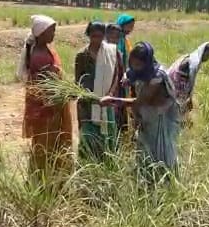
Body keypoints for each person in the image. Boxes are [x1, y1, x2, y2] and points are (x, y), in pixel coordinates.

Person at [101, 42, 181, 185]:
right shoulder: (141, 70)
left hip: (159, 117)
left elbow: (140, 101)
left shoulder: (156, 77)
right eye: (132, 63)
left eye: (138, 65)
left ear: (147, 62)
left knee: (160, 150)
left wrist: (113, 100)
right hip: (147, 116)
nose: (134, 67)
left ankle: (165, 182)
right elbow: (131, 73)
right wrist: (128, 76)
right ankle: (147, 178)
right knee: (145, 148)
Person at [18, 15, 75, 187]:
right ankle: (44, 182)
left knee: (46, 143)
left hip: (49, 107)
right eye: (51, 31)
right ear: (41, 33)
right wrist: (65, 91)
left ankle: (45, 179)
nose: (54, 34)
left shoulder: (43, 50)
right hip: (47, 109)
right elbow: (48, 85)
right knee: (47, 145)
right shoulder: (39, 55)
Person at [75, 22, 120, 161]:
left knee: (107, 134)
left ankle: (107, 163)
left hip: (106, 101)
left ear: (104, 36)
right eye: (93, 36)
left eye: (100, 36)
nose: (97, 40)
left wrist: (110, 94)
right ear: (88, 35)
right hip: (89, 102)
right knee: (90, 133)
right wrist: (90, 97)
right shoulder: (82, 55)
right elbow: (78, 81)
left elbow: (116, 74)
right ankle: (89, 163)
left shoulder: (112, 52)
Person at [167, 42, 209, 119]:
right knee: (180, 105)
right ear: (202, 51)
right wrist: (190, 97)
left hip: (172, 79)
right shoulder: (195, 62)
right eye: (206, 54)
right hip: (177, 82)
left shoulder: (191, 56)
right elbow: (191, 81)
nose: (207, 57)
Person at [115, 14, 136, 136]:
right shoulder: (117, 39)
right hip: (119, 76)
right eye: (129, 26)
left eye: (132, 27)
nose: (131, 29)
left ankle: (123, 129)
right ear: (122, 25)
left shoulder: (125, 39)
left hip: (126, 75)